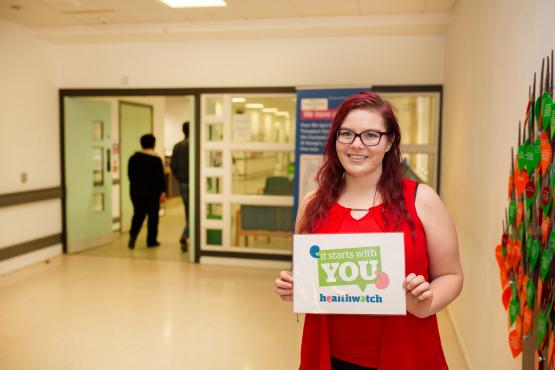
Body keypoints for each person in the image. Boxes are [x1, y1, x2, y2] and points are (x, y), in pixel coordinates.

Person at [274, 92, 463, 370]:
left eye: (371, 135)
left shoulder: (421, 200)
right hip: (328, 357)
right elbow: (315, 277)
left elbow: (451, 275)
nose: (356, 145)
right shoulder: (312, 204)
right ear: (335, 139)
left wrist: (427, 302)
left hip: (406, 354)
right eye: (346, 134)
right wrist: (297, 287)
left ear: (389, 142)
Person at [128, 134, 166, 249]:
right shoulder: (156, 160)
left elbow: (130, 176)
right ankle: (151, 241)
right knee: (153, 217)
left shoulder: (133, 158)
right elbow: (161, 178)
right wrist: (162, 192)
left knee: (138, 214)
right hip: (152, 194)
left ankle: (133, 236)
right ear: (154, 144)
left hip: (136, 192)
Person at [170, 121, 190, 252]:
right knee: (195, 212)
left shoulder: (177, 146)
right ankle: (185, 235)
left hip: (183, 183)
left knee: (189, 211)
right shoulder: (197, 144)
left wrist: (180, 179)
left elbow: (173, 166)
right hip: (195, 184)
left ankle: (187, 235)